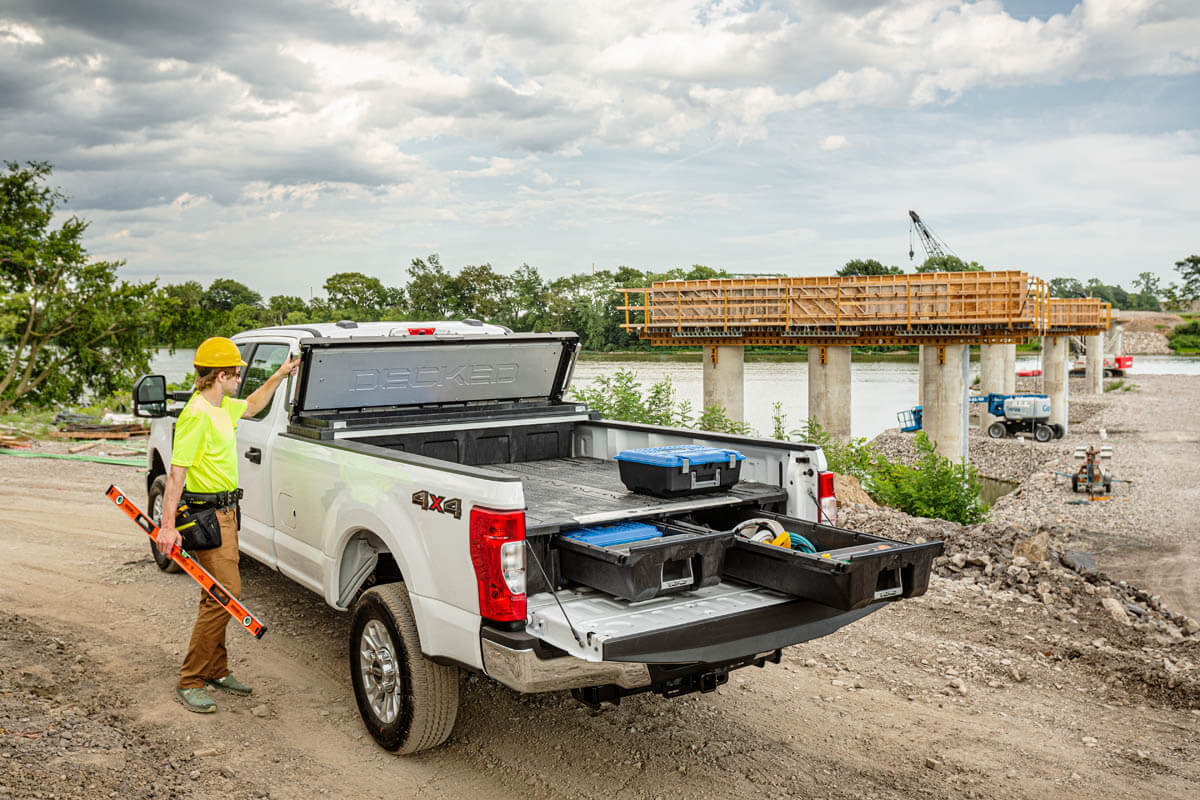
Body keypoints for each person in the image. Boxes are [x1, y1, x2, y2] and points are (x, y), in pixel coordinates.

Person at [155, 336, 298, 713]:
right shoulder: (197, 414)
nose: (241, 377)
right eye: (237, 372)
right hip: (207, 516)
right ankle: (190, 679)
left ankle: (216, 669)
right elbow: (176, 475)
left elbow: (252, 407)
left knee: (216, 595)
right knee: (224, 596)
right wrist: (167, 527)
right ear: (221, 375)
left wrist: (281, 376)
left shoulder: (221, 407)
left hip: (227, 514)